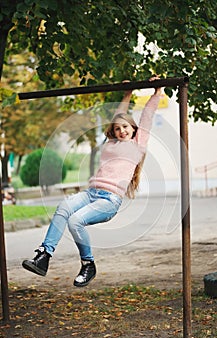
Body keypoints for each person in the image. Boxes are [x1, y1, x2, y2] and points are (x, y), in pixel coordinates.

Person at [22, 77, 161, 287]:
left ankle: (88, 265)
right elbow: (117, 115)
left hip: (109, 201)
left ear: (133, 129)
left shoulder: (137, 145)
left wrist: (157, 91)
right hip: (91, 193)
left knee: (75, 220)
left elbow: (147, 116)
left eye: (126, 127)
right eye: (117, 128)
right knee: (63, 208)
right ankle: (43, 257)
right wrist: (127, 93)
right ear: (112, 132)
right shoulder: (110, 143)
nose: (121, 130)